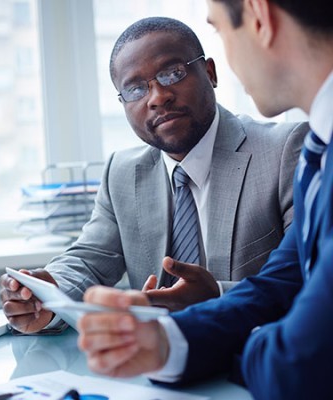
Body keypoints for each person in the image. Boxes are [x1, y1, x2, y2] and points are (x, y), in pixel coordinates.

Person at [77, 2, 333, 399]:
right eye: (136, 88)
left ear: (259, 17)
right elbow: (280, 282)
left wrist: (213, 348)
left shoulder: (294, 148)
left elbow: (297, 365)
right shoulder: (322, 145)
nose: (158, 97)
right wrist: (166, 342)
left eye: (219, 31)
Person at [1, 16, 307, 335]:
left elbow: (307, 281)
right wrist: (44, 294)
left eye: (172, 73)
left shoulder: (285, 151)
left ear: (210, 73)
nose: (158, 97)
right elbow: (89, 258)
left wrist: (218, 297)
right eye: (135, 89)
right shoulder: (121, 172)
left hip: (257, 358)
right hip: (155, 364)